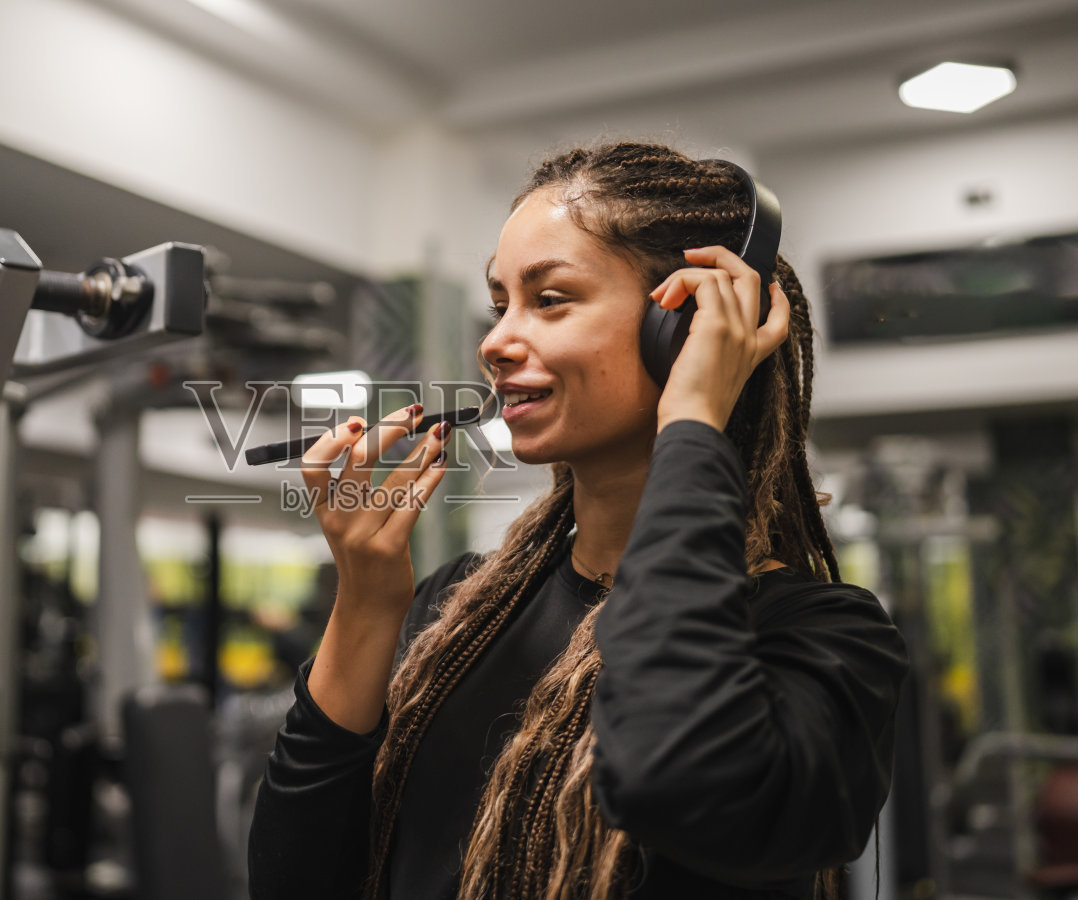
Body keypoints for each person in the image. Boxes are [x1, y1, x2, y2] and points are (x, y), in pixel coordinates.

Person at [247, 141, 911, 900]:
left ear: (684, 326)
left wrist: (692, 416)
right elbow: (290, 880)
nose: (494, 342)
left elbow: (676, 780)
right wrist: (366, 603)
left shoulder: (826, 642)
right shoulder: (453, 615)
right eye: (500, 305)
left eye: (549, 299)